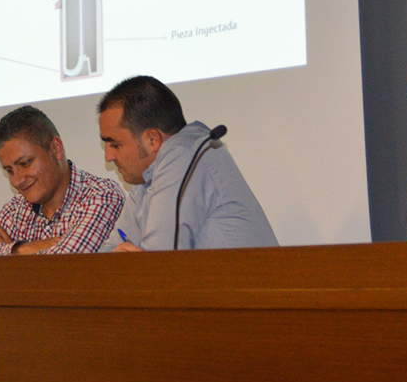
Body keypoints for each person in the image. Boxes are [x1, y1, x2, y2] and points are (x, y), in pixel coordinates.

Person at [98, 75, 276, 251]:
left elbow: (160, 257)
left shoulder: (184, 153)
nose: (108, 156)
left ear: (153, 139)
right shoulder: (144, 177)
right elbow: (107, 253)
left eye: (116, 145)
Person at [0, 105, 123, 255]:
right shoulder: (17, 207)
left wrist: (5, 256)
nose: (17, 181)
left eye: (25, 163)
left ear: (56, 149)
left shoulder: (102, 196)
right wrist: (18, 249)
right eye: (9, 171)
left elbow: (64, 263)